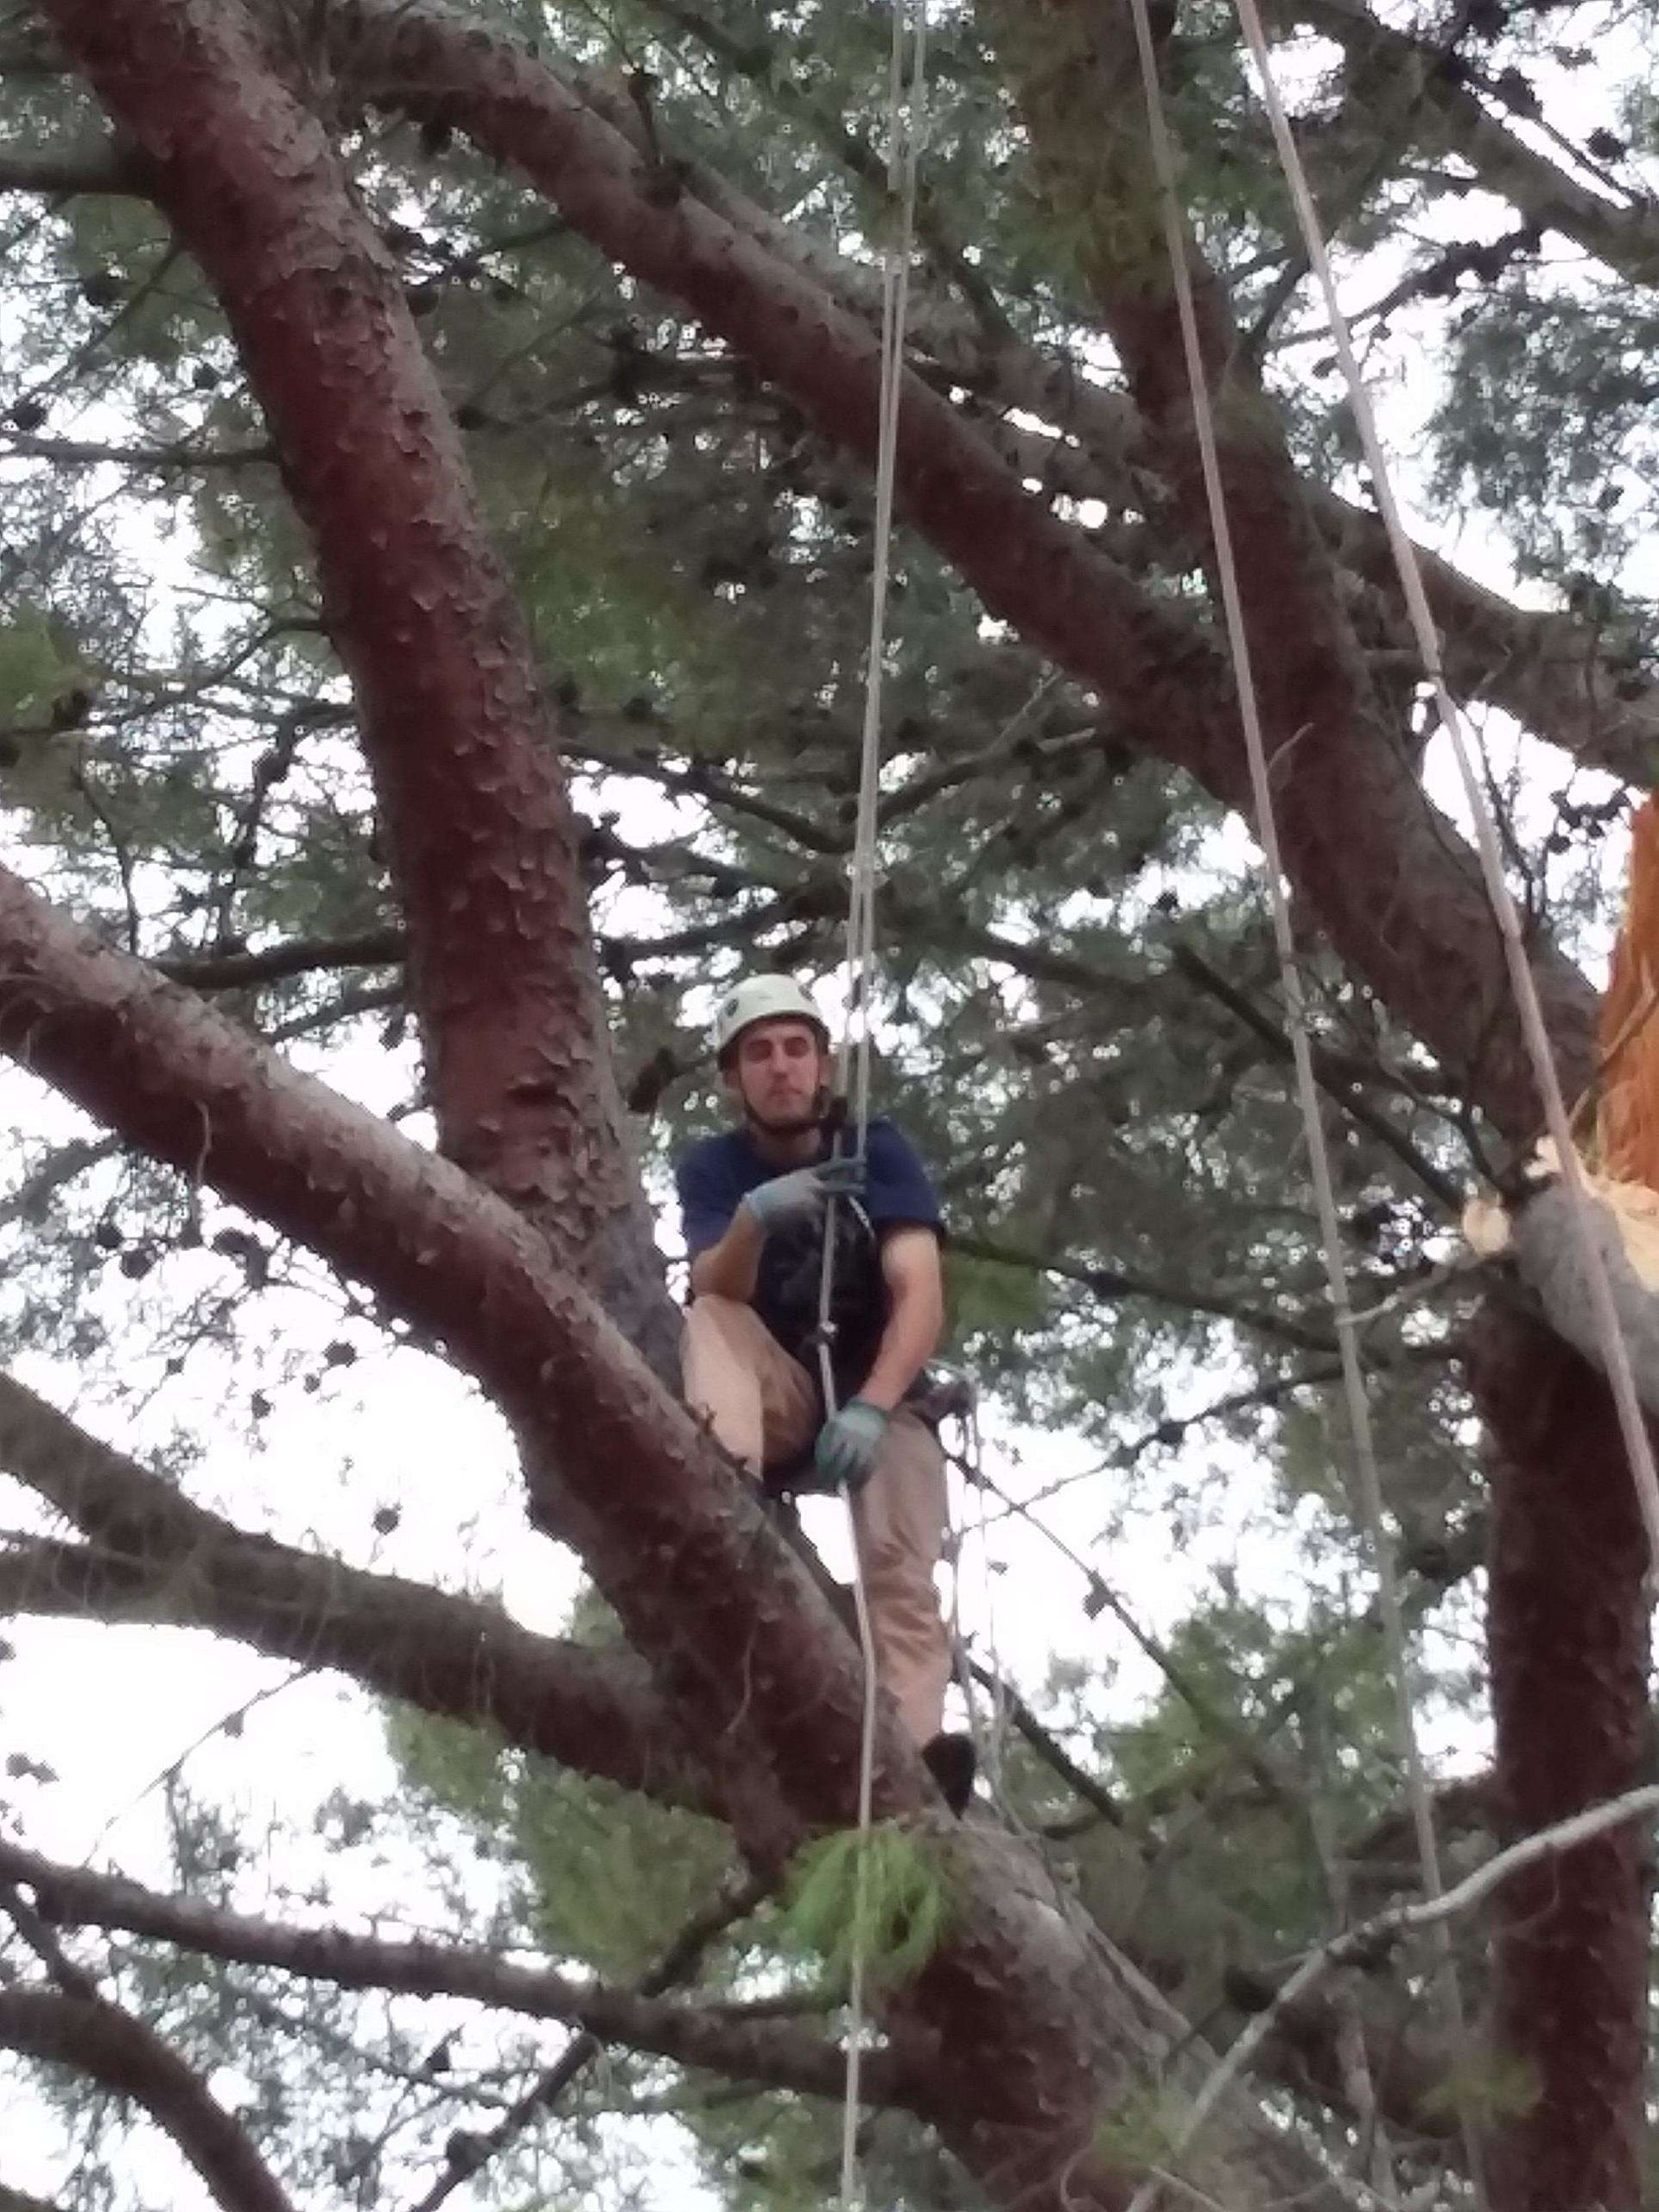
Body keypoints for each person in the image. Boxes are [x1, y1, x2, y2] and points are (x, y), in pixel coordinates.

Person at [674, 975, 976, 1814]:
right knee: (711, 1315)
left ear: (824, 1065)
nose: (781, 1068)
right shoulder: (713, 1166)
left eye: (796, 1048)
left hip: (882, 1397)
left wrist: (876, 1402)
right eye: (760, 1053)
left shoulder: (875, 1148)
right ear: (733, 1078)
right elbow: (714, 1283)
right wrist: (754, 1219)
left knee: (900, 1575)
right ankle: (720, 1487)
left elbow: (919, 1291)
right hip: (778, 1395)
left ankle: (916, 1764)